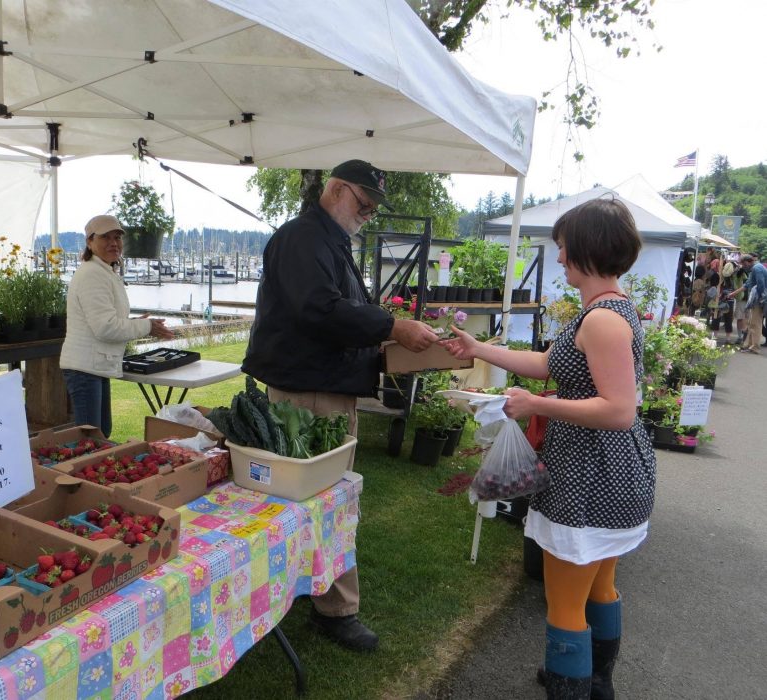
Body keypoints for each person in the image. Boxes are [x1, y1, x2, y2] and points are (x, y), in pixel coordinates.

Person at [441, 198, 656, 699]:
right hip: (615, 474)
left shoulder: (601, 320)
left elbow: (619, 410)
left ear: (586, 249)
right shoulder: (610, 311)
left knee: (565, 605)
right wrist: (478, 349)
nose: (559, 259)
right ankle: (596, 682)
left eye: (563, 248)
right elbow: (546, 361)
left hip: (589, 477)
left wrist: (539, 405)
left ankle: (572, 684)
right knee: (599, 586)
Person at [242, 159, 438, 651]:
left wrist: (382, 335)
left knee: (328, 502)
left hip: (324, 385)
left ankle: (313, 595)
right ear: (335, 189)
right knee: (327, 502)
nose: (368, 213)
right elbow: (319, 310)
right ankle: (335, 609)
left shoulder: (327, 239)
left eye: (372, 207)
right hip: (310, 391)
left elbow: (338, 310)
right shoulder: (303, 239)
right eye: (364, 202)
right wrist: (391, 327)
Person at [60, 214, 174, 436]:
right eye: (106, 237)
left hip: (94, 366)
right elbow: (105, 328)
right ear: (90, 242)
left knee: (101, 434)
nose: (114, 243)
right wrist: (147, 327)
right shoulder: (93, 274)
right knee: (91, 440)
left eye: (118, 237)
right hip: (85, 368)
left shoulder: (102, 271)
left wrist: (136, 324)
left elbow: (105, 321)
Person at [728, 253, 767, 354]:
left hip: (758, 301)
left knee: (755, 324)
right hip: (757, 300)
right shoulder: (756, 268)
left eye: (743, 264)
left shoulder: (756, 269)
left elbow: (761, 285)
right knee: (751, 323)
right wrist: (733, 293)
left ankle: (755, 347)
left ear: (747, 262)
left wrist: (757, 300)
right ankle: (749, 345)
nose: (742, 266)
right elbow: (747, 284)